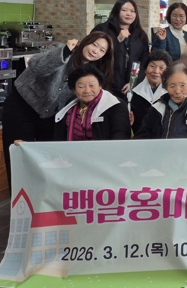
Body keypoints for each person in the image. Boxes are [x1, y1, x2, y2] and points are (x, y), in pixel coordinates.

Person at [2, 31, 115, 184]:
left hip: (51, 116)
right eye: (94, 45)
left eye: (102, 50)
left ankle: (41, 197)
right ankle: (18, 196)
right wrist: (65, 52)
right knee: (18, 154)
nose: (95, 51)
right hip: (21, 107)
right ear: (86, 41)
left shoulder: (90, 73)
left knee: (47, 159)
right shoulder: (59, 49)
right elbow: (36, 65)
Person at [92, 0, 149, 97]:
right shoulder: (102, 29)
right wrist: (117, 40)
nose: (129, 14)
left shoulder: (140, 34)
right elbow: (95, 55)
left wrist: (134, 81)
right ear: (116, 11)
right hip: (106, 84)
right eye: (124, 10)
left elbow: (145, 60)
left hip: (131, 86)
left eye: (132, 11)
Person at [54, 66, 130, 140]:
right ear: (74, 90)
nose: (87, 91)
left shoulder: (116, 105)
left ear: (100, 85)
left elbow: (121, 136)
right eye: (81, 87)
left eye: (92, 85)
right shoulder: (68, 108)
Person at [130, 50, 172, 135]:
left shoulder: (171, 95)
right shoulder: (133, 94)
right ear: (145, 69)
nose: (156, 71)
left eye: (161, 68)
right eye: (152, 66)